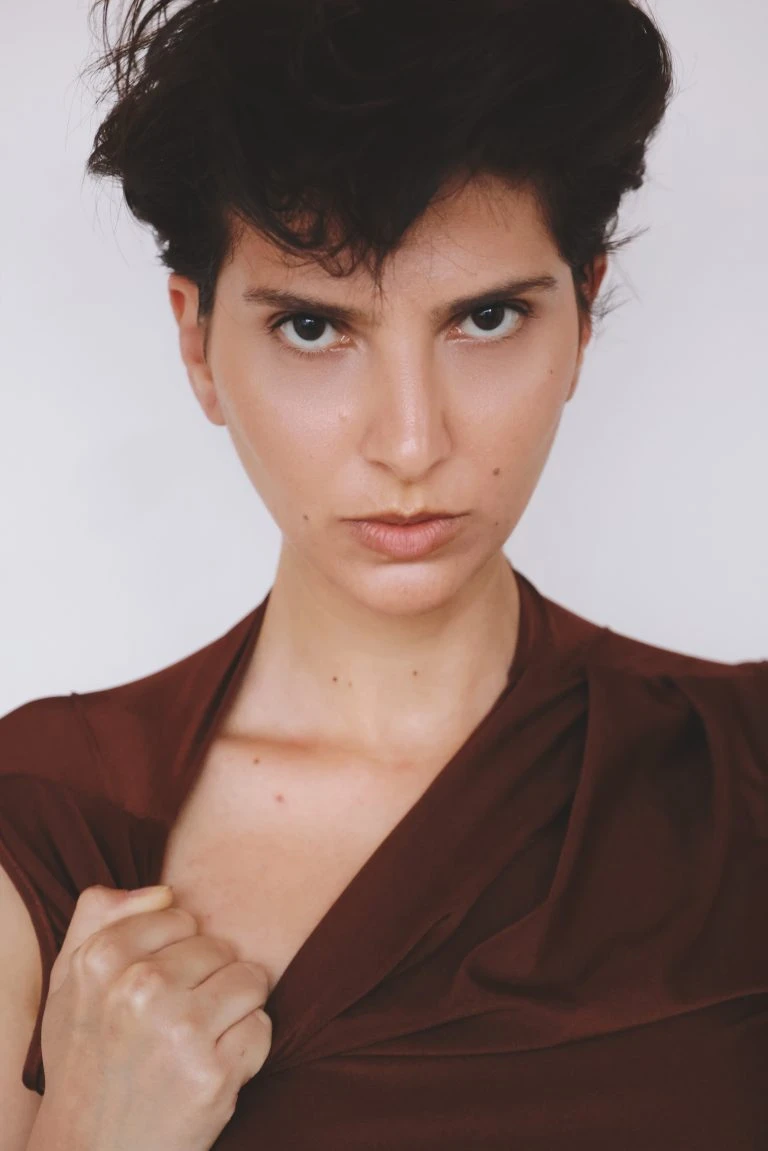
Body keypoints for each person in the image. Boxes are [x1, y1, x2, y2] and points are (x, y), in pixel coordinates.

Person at [1, 0, 766, 1148]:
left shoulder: (746, 768)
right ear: (197, 342)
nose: (410, 443)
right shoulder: (42, 817)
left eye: (487, 317)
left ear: (583, 314)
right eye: (315, 329)